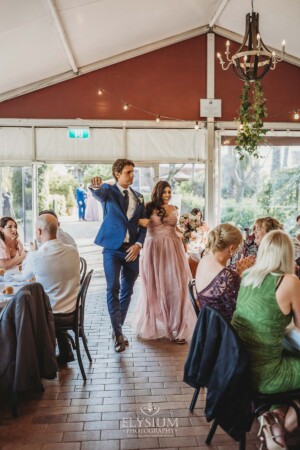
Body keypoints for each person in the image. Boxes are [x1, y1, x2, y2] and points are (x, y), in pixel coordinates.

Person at [232, 230, 300, 448]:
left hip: (241, 369)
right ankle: (277, 433)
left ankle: (274, 418)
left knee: (286, 354)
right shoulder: (288, 281)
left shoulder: (248, 276)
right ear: (287, 253)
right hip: (268, 375)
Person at [89, 159, 147, 353]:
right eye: (128, 172)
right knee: (112, 288)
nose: (132, 175)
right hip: (112, 249)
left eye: (133, 172)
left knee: (128, 290)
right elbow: (98, 193)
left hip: (132, 250)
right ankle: (119, 334)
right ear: (117, 174)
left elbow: (143, 227)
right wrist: (94, 185)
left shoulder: (139, 197)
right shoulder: (108, 191)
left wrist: (139, 245)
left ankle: (117, 329)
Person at [130, 180, 196, 343]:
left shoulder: (174, 209)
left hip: (174, 248)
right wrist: (139, 223)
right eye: (164, 192)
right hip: (155, 249)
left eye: (169, 192)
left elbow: (174, 229)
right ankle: (161, 322)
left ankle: (179, 328)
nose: (167, 195)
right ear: (158, 192)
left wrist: (186, 234)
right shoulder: (148, 207)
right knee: (157, 286)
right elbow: (136, 223)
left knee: (177, 286)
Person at [20, 214, 80, 364]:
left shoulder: (36, 256)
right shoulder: (72, 251)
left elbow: (23, 276)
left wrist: (32, 253)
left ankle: (36, 361)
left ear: (39, 232)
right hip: (74, 311)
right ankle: (63, 352)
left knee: (24, 311)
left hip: (51, 315)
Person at [195, 223, 243, 321]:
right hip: (223, 328)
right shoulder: (227, 275)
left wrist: (236, 274)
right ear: (232, 248)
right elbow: (237, 308)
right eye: (238, 248)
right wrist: (241, 277)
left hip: (205, 322)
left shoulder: (204, 260)